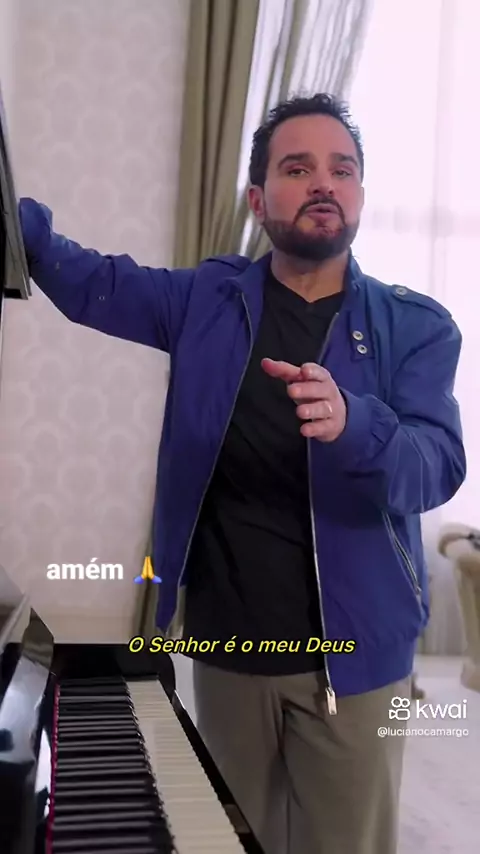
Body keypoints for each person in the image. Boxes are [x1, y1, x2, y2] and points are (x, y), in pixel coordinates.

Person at [18, 93, 465, 854]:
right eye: (298, 168)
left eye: (342, 170)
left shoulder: (417, 327)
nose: (323, 183)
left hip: (356, 660)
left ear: (360, 193)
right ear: (258, 200)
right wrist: (18, 223)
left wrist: (355, 424)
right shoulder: (205, 299)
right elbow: (91, 281)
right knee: (228, 839)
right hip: (230, 649)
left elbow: (437, 465)